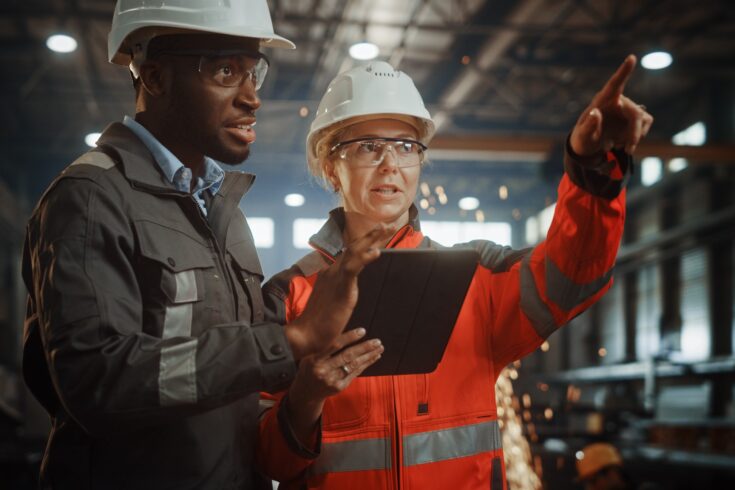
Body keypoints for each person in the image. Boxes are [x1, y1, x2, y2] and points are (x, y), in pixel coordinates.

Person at [21, 1, 388, 489]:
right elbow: (97, 383)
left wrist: (309, 376)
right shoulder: (92, 197)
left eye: (254, 72)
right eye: (224, 70)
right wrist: (291, 341)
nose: (251, 98)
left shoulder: (224, 211)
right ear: (154, 77)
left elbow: (236, 376)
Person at [256, 58, 653, 489]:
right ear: (332, 167)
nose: (390, 163)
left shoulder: (474, 277)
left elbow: (573, 273)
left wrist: (593, 171)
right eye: (368, 146)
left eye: (406, 146)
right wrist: (305, 400)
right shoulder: (288, 296)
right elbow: (267, 460)